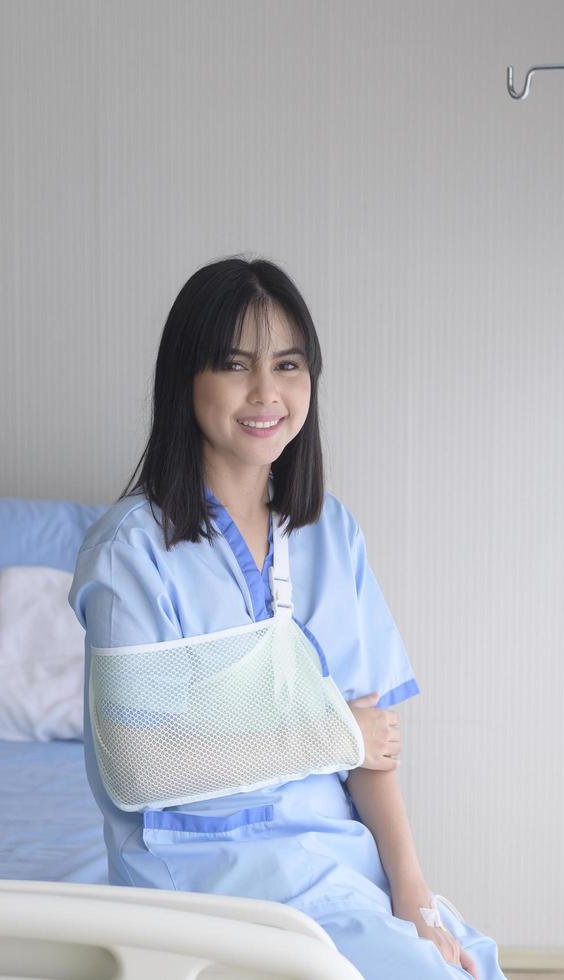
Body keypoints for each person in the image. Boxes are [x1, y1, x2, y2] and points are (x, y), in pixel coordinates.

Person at [69, 256, 505, 979]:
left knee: (467, 966)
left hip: (330, 857)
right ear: (186, 381)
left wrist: (413, 894)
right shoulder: (130, 554)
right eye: (235, 365)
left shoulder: (330, 532)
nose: (266, 392)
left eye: (289, 365)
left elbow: (375, 752)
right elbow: (139, 768)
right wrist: (331, 733)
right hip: (202, 870)